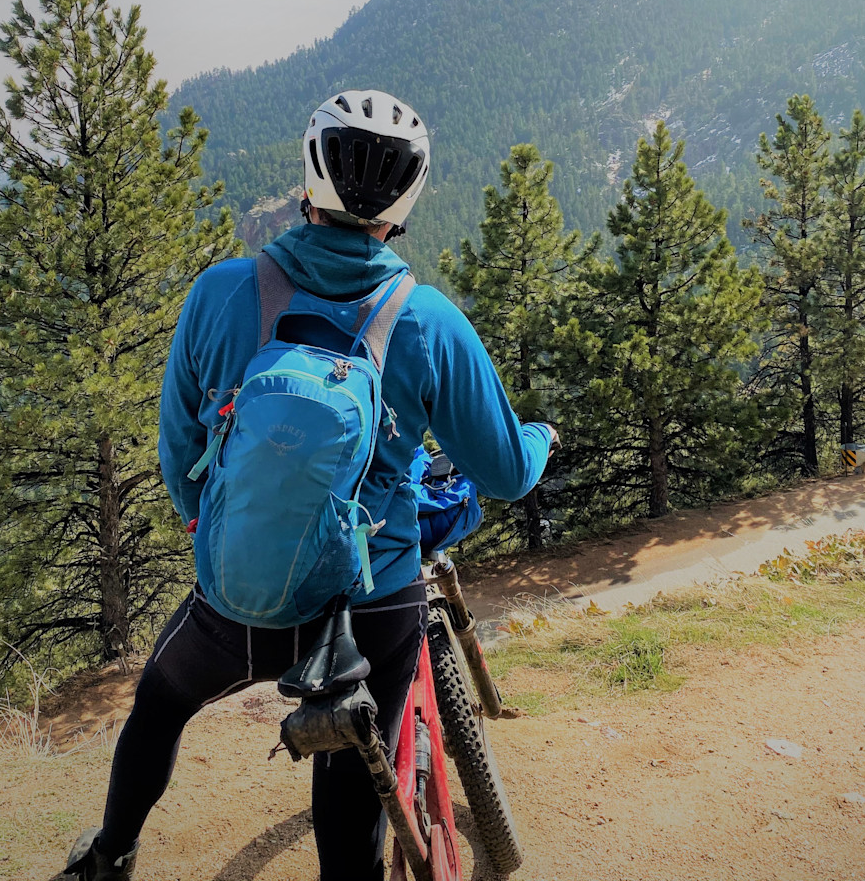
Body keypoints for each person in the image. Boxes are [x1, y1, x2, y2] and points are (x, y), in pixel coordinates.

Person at [55, 89, 556, 881]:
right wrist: (543, 436)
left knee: (159, 705)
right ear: (405, 201)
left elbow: (180, 445)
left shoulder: (220, 292)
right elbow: (503, 470)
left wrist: (225, 534)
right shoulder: (426, 321)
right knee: (356, 774)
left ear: (309, 181)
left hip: (239, 598)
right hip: (371, 606)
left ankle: (109, 855)